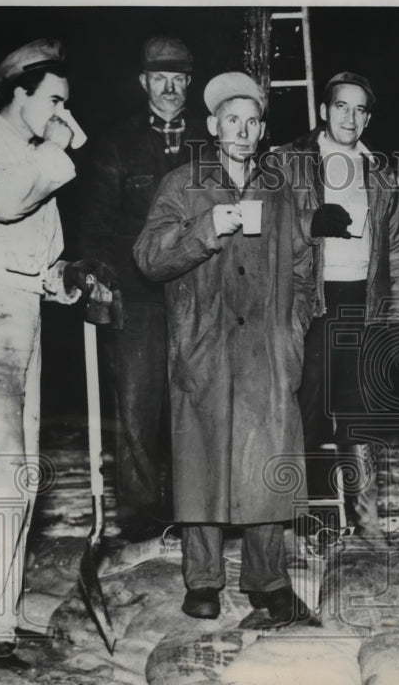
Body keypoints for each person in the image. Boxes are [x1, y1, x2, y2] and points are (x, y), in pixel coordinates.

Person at [0, 39, 114, 669]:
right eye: (54, 101)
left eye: (66, 104)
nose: (64, 116)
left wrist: (66, 278)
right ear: (19, 92)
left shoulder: (24, 153)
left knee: (20, 472)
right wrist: (56, 147)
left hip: (21, 310)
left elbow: (34, 253)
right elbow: (6, 201)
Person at [133, 72, 315, 627]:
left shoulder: (281, 189)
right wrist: (206, 227)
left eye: (252, 120)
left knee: (265, 465)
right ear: (212, 126)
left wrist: (293, 332)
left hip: (265, 349)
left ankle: (269, 580)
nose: (242, 130)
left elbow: (305, 266)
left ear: (262, 129)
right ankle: (203, 581)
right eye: (231, 119)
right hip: (204, 346)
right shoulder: (182, 184)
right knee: (202, 461)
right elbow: (148, 258)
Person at [79, 36, 208, 537]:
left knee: (195, 402)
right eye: (160, 78)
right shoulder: (116, 144)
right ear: (144, 82)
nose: (170, 88)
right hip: (138, 296)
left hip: (198, 294)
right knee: (136, 407)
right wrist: (104, 284)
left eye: (178, 78)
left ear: (189, 83)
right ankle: (139, 522)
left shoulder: (209, 138)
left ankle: (194, 513)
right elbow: (96, 227)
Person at [279, 71, 399, 538]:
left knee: (358, 415)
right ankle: (312, 516)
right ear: (324, 111)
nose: (350, 117)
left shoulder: (379, 172)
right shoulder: (293, 162)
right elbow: (274, 226)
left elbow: (397, 252)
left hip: (361, 303)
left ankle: (364, 519)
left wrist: (397, 326)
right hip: (311, 302)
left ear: (368, 117)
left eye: (359, 109)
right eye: (341, 106)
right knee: (309, 409)